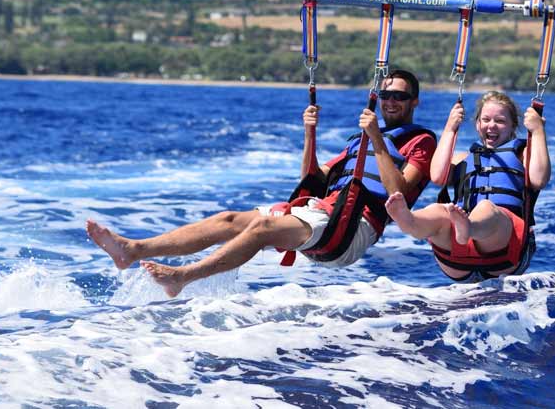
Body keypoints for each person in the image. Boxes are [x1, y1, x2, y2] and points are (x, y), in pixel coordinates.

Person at [86, 70, 437, 297]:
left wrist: (375, 138)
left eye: (400, 96)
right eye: (387, 95)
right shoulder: (355, 142)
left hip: (352, 228)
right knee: (230, 219)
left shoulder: (420, 141)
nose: (392, 101)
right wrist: (310, 133)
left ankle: (182, 277)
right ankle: (133, 250)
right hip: (324, 211)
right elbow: (311, 179)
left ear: (414, 102)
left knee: (263, 228)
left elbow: (399, 195)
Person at [384, 91, 550, 282]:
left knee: (486, 208)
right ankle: (410, 221)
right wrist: (450, 129)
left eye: (500, 121)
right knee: (440, 210)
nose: (492, 125)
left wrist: (537, 132)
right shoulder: (463, 159)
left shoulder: (523, 154)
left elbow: (539, 179)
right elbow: (437, 176)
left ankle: (469, 227)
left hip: (505, 250)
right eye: (485, 119)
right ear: (477, 123)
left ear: (513, 125)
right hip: (456, 258)